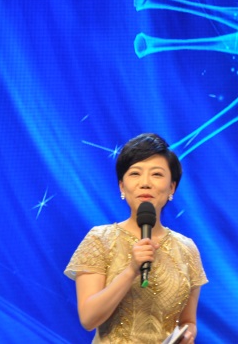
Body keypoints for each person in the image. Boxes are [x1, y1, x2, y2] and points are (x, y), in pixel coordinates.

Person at [65, 133, 207, 343]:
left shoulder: (187, 248)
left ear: (172, 187)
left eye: (156, 174)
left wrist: (188, 334)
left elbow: (188, 321)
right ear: (122, 186)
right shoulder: (100, 239)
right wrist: (131, 270)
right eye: (135, 173)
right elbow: (88, 318)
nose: (145, 183)